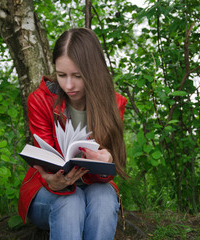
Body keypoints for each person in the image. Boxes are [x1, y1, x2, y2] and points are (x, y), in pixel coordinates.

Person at [18, 28, 128, 240]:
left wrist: (106, 160)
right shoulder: (40, 100)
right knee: (71, 200)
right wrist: (51, 180)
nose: (68, 85)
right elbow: (44, 159)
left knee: (104, 197)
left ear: (93, 72)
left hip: (93, 188)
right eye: (61, 75)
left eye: (77, 76)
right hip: (47, 191)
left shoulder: (114, 103)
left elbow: (106, 176)